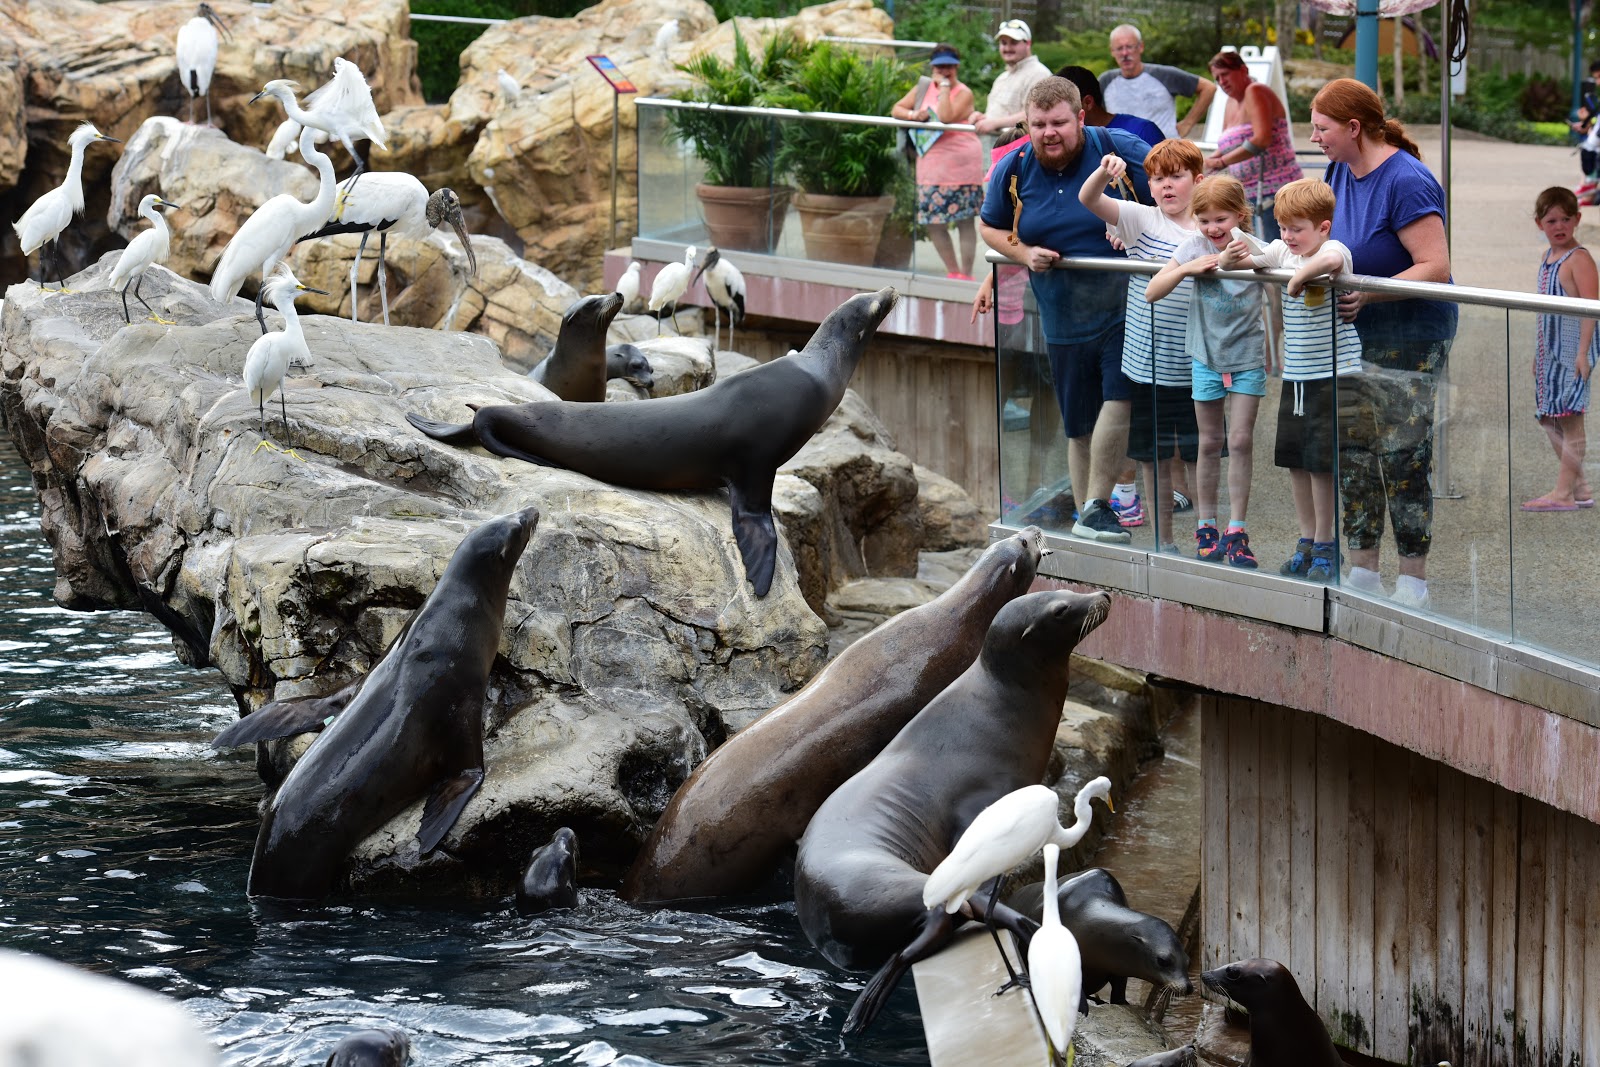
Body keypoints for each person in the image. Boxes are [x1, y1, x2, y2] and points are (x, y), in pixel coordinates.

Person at [979, 76, 1154, 543]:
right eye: (1038, 124)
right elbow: (990, 226)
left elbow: (1179, 204)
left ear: (1080, 117)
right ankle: (1088, 519)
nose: (1048, 133)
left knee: (1120, 398)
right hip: (1060, 313)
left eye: (1058, 122)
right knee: (1077, 422)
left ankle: (1098, 504)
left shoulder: (1121, 149)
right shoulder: (1013, 167)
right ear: (1026, 123)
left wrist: (1139, 234)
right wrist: (1022, 254)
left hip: (1126, 305)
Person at [1311, 78, 1456, 610]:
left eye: (1322, 127)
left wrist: (1370, 295)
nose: (1314, 135)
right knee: (1353, 454)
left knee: (1402, 456)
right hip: (1355, 336)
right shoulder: (1338, 170)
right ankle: (1364, 571)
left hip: (1413, 336)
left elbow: (1436, 267)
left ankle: (1413, 578)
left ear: (1353, 128)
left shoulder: (1407, 179)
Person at [1225, 179, 1363, 579]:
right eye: (1283, 227)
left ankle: (1326, 543)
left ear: (1323, 227)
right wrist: (1234, 255)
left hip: (1333, 374)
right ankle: (1307, 538)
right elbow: (1247, 260)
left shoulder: (1332, 249)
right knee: (1296, 461)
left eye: (1297, 228)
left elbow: (1331, 262)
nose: (1288, 236)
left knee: (1321, 464)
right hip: (1297, 374)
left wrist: (1299, 276)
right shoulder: (1283, 249)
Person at [1080, 139, 1203, 548]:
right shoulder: (1140, 219)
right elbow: (1089, 197)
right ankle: (1162, 538)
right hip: (1148, 360)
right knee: (1151, 451)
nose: (1167, 186)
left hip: (1198, 360)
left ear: (1197, 180)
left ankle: (1210, 530)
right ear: (1148, 185)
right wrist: (1104, 172)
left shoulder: (1211, 226)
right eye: (1157, 178)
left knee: (1197, 449)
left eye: (1176, 177)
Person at [1146, 176, 1270, 567]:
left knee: (1240, 440)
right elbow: (1153, 290)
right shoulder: (1193, 246)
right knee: (1209, 441)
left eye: (1222, 219)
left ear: (1240, 215)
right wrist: (1189, 269)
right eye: (1204, 220)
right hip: (1205, 358)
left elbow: (1281, 275)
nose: (1213, 228)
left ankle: (1237, 528)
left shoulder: (1257, 247)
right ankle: (1206, 525)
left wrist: (1232, 262)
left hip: (1247, 357)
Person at [1523, 186, 1596, 511]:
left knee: (1570, 418)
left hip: (1571, 354)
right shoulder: (1548, 257)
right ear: (1540, 224)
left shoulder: (1578, 259)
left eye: (1566, 219)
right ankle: (1579, 485)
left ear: (1577, 219)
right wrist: (1538, 355)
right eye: (1552, 220)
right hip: (1549, 354)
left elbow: (1591, 309)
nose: (1559, 226)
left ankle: (1563, 492)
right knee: (1549, 417)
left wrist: (1583, 353)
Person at [892, 45, 986, 280]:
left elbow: (945, 117)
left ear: (957, 67)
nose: (945, 70)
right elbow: (897, 109)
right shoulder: (922, 88)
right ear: (932, 67)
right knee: (933, 221)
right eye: (940, 66)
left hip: (961, 165)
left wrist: (944, 87)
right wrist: (915, 115)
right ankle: (952, 271)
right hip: (931, 166)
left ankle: (966, 274)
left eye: (949, 66)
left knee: (964, 221)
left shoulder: (964, 92)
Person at [1202, 50, 1302, 241]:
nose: (1221, 81)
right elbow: (1226, 146)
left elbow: (1261, 139)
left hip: (1274, 193)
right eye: (1217, 78)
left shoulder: (1256, 91)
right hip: (1249, 196)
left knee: (1277, 253)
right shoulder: (1230, 102)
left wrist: (1222, 162)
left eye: (1225, 74)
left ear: (1243, 70)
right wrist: (1206, 162)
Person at [1100, 24, 1216, 140]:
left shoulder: (1164, 75)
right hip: (1121, 154)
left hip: (1164, 153)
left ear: (1141, 47)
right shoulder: (1105, 81)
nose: (1125, 53)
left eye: (1130, 47)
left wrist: (1188, 123)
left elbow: (1208, 88)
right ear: (1112, 51)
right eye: (1119, 48)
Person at [975, 20, 1051, 144]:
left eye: (1014, 43)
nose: (1007, 48)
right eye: (1003, 43)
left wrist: (994, 123)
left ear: (1028, 43)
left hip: (1020, 153)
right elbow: (1001, 114)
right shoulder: (1002, 77)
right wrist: (983, 118)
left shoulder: (1039, 74)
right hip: (997, 152)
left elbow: (1035, 114)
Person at [1056, 65, 1165, 149]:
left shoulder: (1141, 131)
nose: (1056, 115)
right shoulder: (1064, 142)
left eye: (1064, 106)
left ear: (1088, 102)